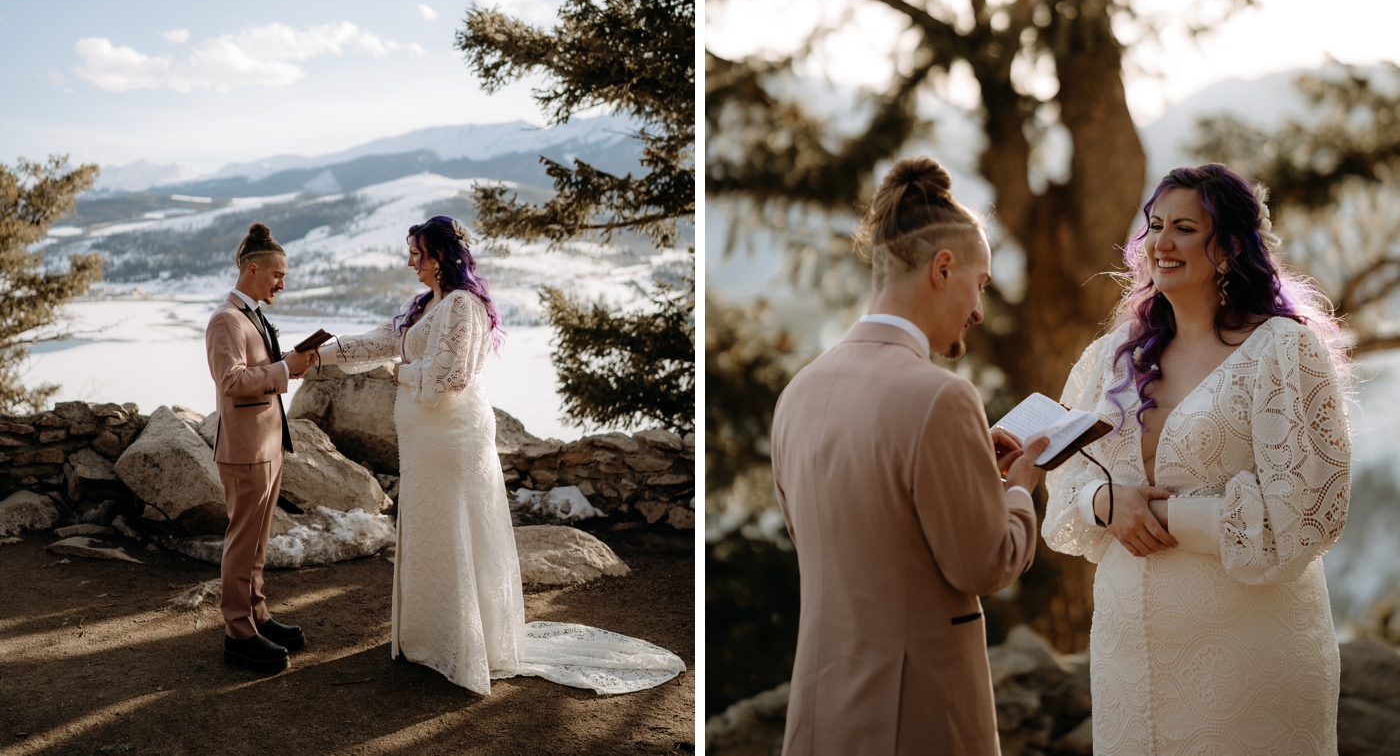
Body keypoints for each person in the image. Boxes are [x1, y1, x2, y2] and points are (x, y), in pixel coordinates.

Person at [1044, 164, 1352, 755]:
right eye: (1155, 225)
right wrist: (1105, 501)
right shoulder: (1112, 358)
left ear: (1231, 246)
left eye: (1184, 228)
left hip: (1247, 655)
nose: (1161, 243)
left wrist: (1164, 518)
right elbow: (1065, 485)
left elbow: (1309, 513)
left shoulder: (1282, 351)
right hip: (1127, 657)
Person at [321, 215, 684, 695]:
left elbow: (451, 378)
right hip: (424, 442)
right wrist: (319, 354)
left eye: (417, 253)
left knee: (453, 526)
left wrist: (399, 373)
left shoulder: (463, 307)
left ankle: (463, 643)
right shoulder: (424, 304)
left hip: (452, 440)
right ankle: (430, 638)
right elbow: (385, 340)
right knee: (430, 528)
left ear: (440, 256)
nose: (410, 262)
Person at [771, 158, 1047, 756]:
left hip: (820, 714)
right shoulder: (942, 397)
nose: (979, 310)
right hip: (916, 718)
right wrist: (1019, 487)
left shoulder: (799, 392)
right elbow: (985, 564)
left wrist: (968, 472)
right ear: (943, 269)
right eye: (981, 283)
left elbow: (851, 541)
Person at [205, 223, 320, 672]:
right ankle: (238, 632)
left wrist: (290, 366)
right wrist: (283, 369)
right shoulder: (225, 320)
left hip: (270, 444)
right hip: (244, 450)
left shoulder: (252, 314)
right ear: (253, 269)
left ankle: (258, 614)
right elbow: (230, 381)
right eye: (278, 275)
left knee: (258, 542)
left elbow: (262, 372)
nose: (282, 283)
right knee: (241, 542)